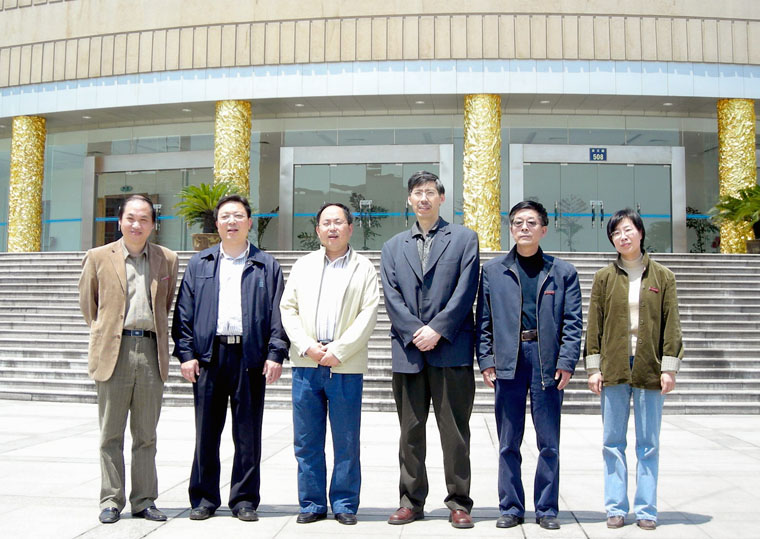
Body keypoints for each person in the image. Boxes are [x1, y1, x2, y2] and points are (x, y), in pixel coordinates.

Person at [172, 194, 289, 522]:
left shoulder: (266, 265)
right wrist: (186, 354)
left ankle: (244, 499)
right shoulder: (200, 263)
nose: (232, 222)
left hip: (250, 357)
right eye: (225, 216)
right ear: (217, 224)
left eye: (238, 216)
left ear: (249, 223)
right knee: (206, 432)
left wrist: (275, 353)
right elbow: (184, 312)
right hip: (208, 357)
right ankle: (204, 497)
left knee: (248, 434)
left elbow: (278, 313)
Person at [380, 171, 480, 529]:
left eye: (430, 192)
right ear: (409, 200)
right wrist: (415, 331)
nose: (424, 198)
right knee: (410, 432)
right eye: (417, 193)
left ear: (441, 198)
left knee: (455, 432)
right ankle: (410, 500)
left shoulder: (465, 239)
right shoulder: (393, 247)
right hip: (408, 351)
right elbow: (391, 296)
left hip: (450, 348)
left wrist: (437, 329)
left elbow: (466, 290)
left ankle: (459, 502)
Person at [475, 200, 582, 531]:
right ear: (510, 229)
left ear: (543, 230)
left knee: (548, 441)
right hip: (509, 358)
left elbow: (573, 323)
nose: (524, 227)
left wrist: (566, 361)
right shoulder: (493, 271)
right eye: (518, 222)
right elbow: (484, 321)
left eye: (531, 222)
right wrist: (487, 360)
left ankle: (547, 508)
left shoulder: (562, 272)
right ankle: (510, 506)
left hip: (545, 359)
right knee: (508, 440)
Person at [78, 194, 179, 524]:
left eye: (144, 219)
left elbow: (165, 304)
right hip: (114, 351)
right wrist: (107, 332)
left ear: (153, 224)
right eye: (131, 218)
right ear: (120, 221)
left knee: (146, 434)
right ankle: (111, 500)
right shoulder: (97, 257)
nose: (137, 224)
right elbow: (89, 306)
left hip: (150, 350)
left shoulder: (167, 259)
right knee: (110, 433)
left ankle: (144, 500)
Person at [279, 202, 379, 526]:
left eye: (338, 222)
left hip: (344, 366)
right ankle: (312, 502)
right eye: (326, 223)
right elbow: (288, 308)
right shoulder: (303, 265)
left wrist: (340, 350)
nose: (332, 228)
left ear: (350, 228)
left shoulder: (364, 268)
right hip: (307, 364)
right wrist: (307, 346)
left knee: (346, 440)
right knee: (307, 441)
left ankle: (345, 503)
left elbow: (368, 313)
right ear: (318, 230)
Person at [584, 208, 683, 531]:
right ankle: (615, 507)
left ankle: (646, 510)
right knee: (612, 441)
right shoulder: (604, 277)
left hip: (649, 367)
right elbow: (594, 325)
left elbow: (672, 325)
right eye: (616, 233)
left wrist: (669, 367)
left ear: (640, 232)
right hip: (614, 367)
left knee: (648, 443)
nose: (622, 237)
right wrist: (593, 367)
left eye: (627, 230)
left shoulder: (663, 277)